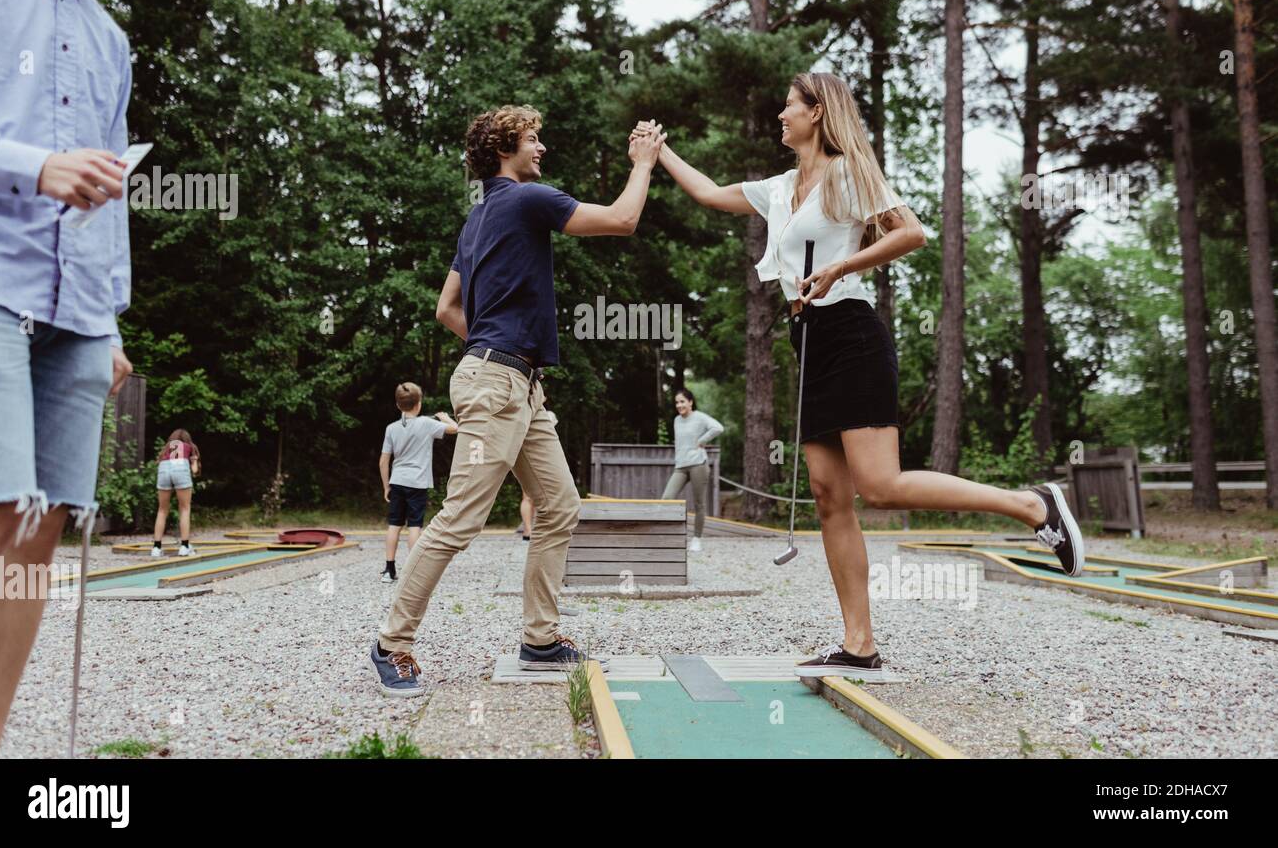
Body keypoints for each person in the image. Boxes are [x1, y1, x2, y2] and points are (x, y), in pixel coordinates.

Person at [634, 71, 1083, 681]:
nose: (780, 117)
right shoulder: (782, 186)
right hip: (809, 339)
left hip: (851, 330)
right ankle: (859, 644)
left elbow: (911, 232)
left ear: (817, 113)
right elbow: (711, 193)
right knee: (827, 497)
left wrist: (843, 261)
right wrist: (660, 155)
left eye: (789, 107)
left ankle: (1030, 504)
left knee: (881, 485)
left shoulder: (849, 172)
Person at [368, 105, 664, 697]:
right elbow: (624, 219)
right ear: (507, 146)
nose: (542, 148)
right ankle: (391, 643)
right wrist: (644, 161)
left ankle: (539, 639)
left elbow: (447, 310)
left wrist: (494, 350)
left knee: (559, 504)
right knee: (461, 518)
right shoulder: (526, 199)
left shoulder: (477, 218)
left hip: (516, 383)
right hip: (496, 384)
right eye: (534, 138)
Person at [0, 0, 152, 757]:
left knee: (36, 537)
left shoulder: (112, 40)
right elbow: (44, 165)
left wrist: (110, 320)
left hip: (79, 312)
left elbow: (110, 190)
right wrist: (31, 164)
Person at [380, 382, 457, 583]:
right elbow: (455, 429)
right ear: (419, 404)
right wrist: (445, 418)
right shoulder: (426, 424)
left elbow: (383, 461)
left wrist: (386, 485)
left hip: (397, 481)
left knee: (394, 525)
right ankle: (412, 571)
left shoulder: (391, 428)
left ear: (398, 405)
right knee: (415, 526)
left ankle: (389, 570)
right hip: (418, 483)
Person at [661, 388, 723, 552]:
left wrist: (702, 440)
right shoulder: (676, 420)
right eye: (677, 402)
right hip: (680, 466)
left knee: (699, 504)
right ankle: (670, 535)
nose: (679, 405)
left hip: (698, 464)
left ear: (690, 402)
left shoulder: (699, 417)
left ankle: (696, 539)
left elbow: (718, 428)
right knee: (666, 498)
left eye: (682, 401)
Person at [151, 429, 201, 557]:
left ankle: (156, 548)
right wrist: (194, 461)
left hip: (164, 469)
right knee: (184, 508)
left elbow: (164, 461)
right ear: (187, 439)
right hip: (180, 468)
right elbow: (195, 471)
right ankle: (184, 546)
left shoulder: (168, 448)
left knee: (162, 510)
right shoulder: (188, 446)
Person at [518, 406, 558, 541]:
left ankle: (538, 528)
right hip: (528, 456)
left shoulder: (548, 414)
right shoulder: (524, 412)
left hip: (545, 458)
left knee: (544, 497)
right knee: (528, 497)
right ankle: (528, 530)